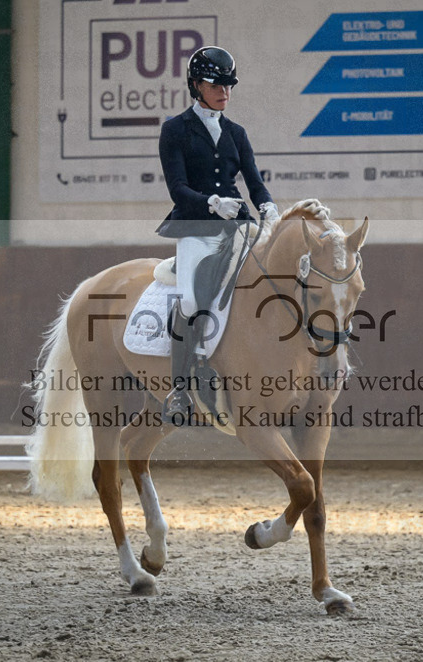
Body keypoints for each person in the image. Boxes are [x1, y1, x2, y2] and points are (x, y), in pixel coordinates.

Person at [156, 45, 279, 420]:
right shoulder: (175, 130)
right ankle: (179, 389)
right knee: (192, 301)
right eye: (215, 84)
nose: (224, 92)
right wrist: (212, 202)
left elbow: (254, 183)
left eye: (228, 85)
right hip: (195, 227)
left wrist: (269, 207)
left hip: (238, 228)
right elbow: (177, 188)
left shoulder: (236, 133)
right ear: (196, 85)